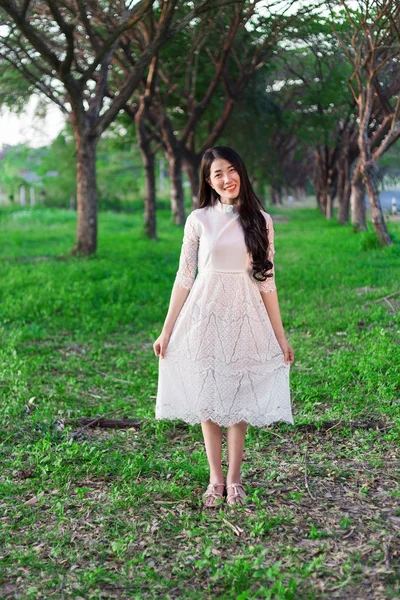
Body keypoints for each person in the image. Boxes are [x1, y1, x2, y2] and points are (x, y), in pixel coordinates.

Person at [153, 146, 294, 508]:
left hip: (244, 314)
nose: (227, 179)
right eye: (218, 174)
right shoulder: (199, 219)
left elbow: (267, 282)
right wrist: (167, 330)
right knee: (208, 397)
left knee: (238, 397)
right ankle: (215, 479)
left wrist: (280, 337)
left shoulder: (261, 220)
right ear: (208, 181)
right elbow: (184, 277)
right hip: (204, 315)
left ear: (241, 174)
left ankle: (234, 480)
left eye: (232, 171)